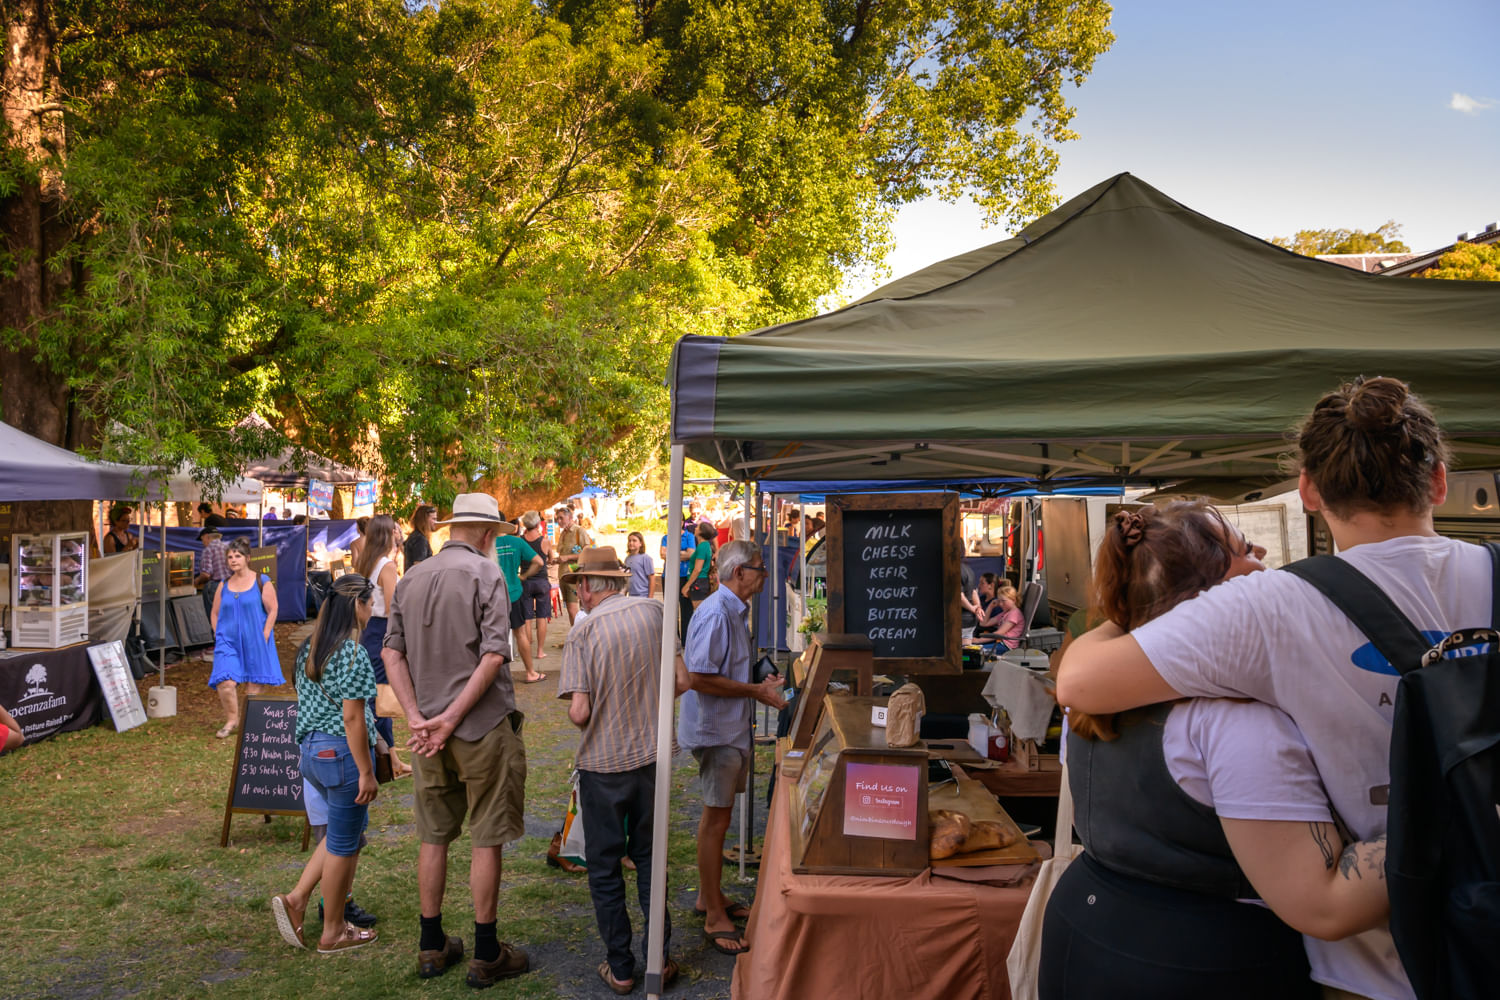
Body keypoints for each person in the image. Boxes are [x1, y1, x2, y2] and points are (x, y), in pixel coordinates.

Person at [1057, 376, 1478, 1000]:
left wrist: (1131, 604)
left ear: (1307, 490)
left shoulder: (1266, 607)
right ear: (1439, 480)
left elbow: (1079, 683)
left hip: (1378, 967)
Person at [1040, 502, 1389, 1000]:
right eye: (1246, 549)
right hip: (1198, 963)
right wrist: (1461, 820)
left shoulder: (1090, 700)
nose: (1263, 554)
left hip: (1084, 930)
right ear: (1213, 599)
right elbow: (1326, 906)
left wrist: (1145, 603)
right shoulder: (1235, 722)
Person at [382, 492, 531, 987]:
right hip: (480, 726)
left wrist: (417, 717)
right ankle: (486, 952)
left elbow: (391, 655)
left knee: (433, 834)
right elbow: (494, 656)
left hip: (429, 732)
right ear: (489, 533)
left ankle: (431, 945)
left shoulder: (411, 577)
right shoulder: (487, 574)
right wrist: (446, 719)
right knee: (487, 837)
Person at [557, 547, 690, 994]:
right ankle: (659, 958)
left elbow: (579, 712)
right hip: (654, 757)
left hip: (604, 763)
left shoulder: (584, 631)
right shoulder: (657, 612)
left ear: (592, 586)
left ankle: (622, 967)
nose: (579, 594)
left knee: (605, 865)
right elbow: (683, 682)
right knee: (652, 859)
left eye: (579, 586)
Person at [680, 540, 786, 956]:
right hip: (715, 732)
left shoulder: (729, 611)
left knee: (718, 821)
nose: (763, 576)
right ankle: (712, 916)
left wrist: (756, 682)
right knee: (715, 821)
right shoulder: (718, 613)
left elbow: (719, 669)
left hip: (725, 730)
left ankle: (711, 898)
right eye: (759, 568)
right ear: (739, 571)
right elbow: (699, 676)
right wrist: (755, 692)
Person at [270, 573, 380, 954]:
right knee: (343, 844)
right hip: (341, 755)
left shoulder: (309, 648)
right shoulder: (353, 653)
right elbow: (353, 719)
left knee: (338, 835)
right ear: (356, 605)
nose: (373, 610)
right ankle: (332, 930)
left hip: (312, 753)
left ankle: (299, 898)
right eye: (370, 602)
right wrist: (367, 770)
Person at [208, 538, 282, 739]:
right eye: (230, 557)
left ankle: (249, 723)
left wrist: (266, 633)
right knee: (225, 681)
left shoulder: (261, 581)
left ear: (247, 558)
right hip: (228, 641)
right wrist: (218, 634)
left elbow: (273, 608)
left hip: (255, 640)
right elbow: (214, 613)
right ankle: (232, 720)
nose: (233, 560)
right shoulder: (223, 585)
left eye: (237, 556)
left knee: (253, 687)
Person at [353, 514, 410, 778]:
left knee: (376, 697)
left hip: (368, 631)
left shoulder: (367, 562)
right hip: (381, 631)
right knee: (382, 698)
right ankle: (389, 760)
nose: (399, 533)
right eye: (396, 530)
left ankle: (390, 758)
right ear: (388, 534)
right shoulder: (386, 565)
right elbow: (392, 608)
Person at [493, 510, 547, 684]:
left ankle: (494, 676)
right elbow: (539, 562)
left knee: (493, 636)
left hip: (493, 596)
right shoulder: (516, 542)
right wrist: (523, 576)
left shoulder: (486, 544)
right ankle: (530, 672)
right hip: (514, 594)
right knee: (520, 634)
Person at [519, 511, 554, 659]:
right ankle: (540, 651)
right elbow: (551, 559)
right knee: (542, 616)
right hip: (541, 582)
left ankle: (528, 648)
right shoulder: (545, 541)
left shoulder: (520, 540)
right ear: (538, 523)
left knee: (527, 617)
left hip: (525, 581)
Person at [553, 505, 593, 629]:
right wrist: (557, 560)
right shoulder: (563, 533)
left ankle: (579, 637)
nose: (558, 521)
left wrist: (568, 557)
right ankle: (575, 636)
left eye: (561, 518)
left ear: (570, 518)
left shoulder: (579, 531)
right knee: (570, 611)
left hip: (575, 576)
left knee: (573, 609)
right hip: (563, 575)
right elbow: (563, 554)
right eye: (557, 519)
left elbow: (588, 552)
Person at [660, 517, 697, 641]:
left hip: (684, 576)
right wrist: (683, 553)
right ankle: (673, 639)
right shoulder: (665, 537)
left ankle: (686, 640)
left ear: (682, 522)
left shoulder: (689, 536)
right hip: (668, 576)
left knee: (686, 608)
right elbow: (662, 554)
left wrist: (671, 553)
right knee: (670, 608)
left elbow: (692, 554)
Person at [973, 576, 1024, 650]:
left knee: (975, 651)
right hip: (999, 642)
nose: (1000, 604)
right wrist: (990, 606)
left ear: (1013, 600)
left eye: (1003, 601)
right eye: (999, 601)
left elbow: (999, 633)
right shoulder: (1005, 613)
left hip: (1006, 646)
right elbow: (983, 623)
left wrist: (978, 640)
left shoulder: (1014, 614)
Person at [194, 526, 231, 623]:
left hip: (215, 587)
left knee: (216, 622)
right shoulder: (229, 548)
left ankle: (218, 638)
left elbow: (206, 574)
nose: (203, 543)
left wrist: (196, 582)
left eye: (202, 540)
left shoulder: (208, 550)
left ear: (206, 537)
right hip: (231, 586)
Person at [682, 521, 718, 607]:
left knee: (699, 612)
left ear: (701, 532)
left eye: (698, 527)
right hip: (701, 582)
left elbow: (697, 569)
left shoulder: (702, 547)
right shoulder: (705, 545)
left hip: (698, 582)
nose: (695, 528)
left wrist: (686, 586)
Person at [404, 504, 437, 570]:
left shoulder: (414, 536)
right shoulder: (420, 539)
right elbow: (419, 568)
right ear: (425, 520)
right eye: (433, 519)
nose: (436, 522)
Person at [623, 531, 655, 598]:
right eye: (629, 541)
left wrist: (650, 598)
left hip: (643, 596)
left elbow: (652, 579)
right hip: (631, 596)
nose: (631, 543)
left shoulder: (646, 558)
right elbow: (626, 579)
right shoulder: (627, 559)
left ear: (640, 543)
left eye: (634, 541)